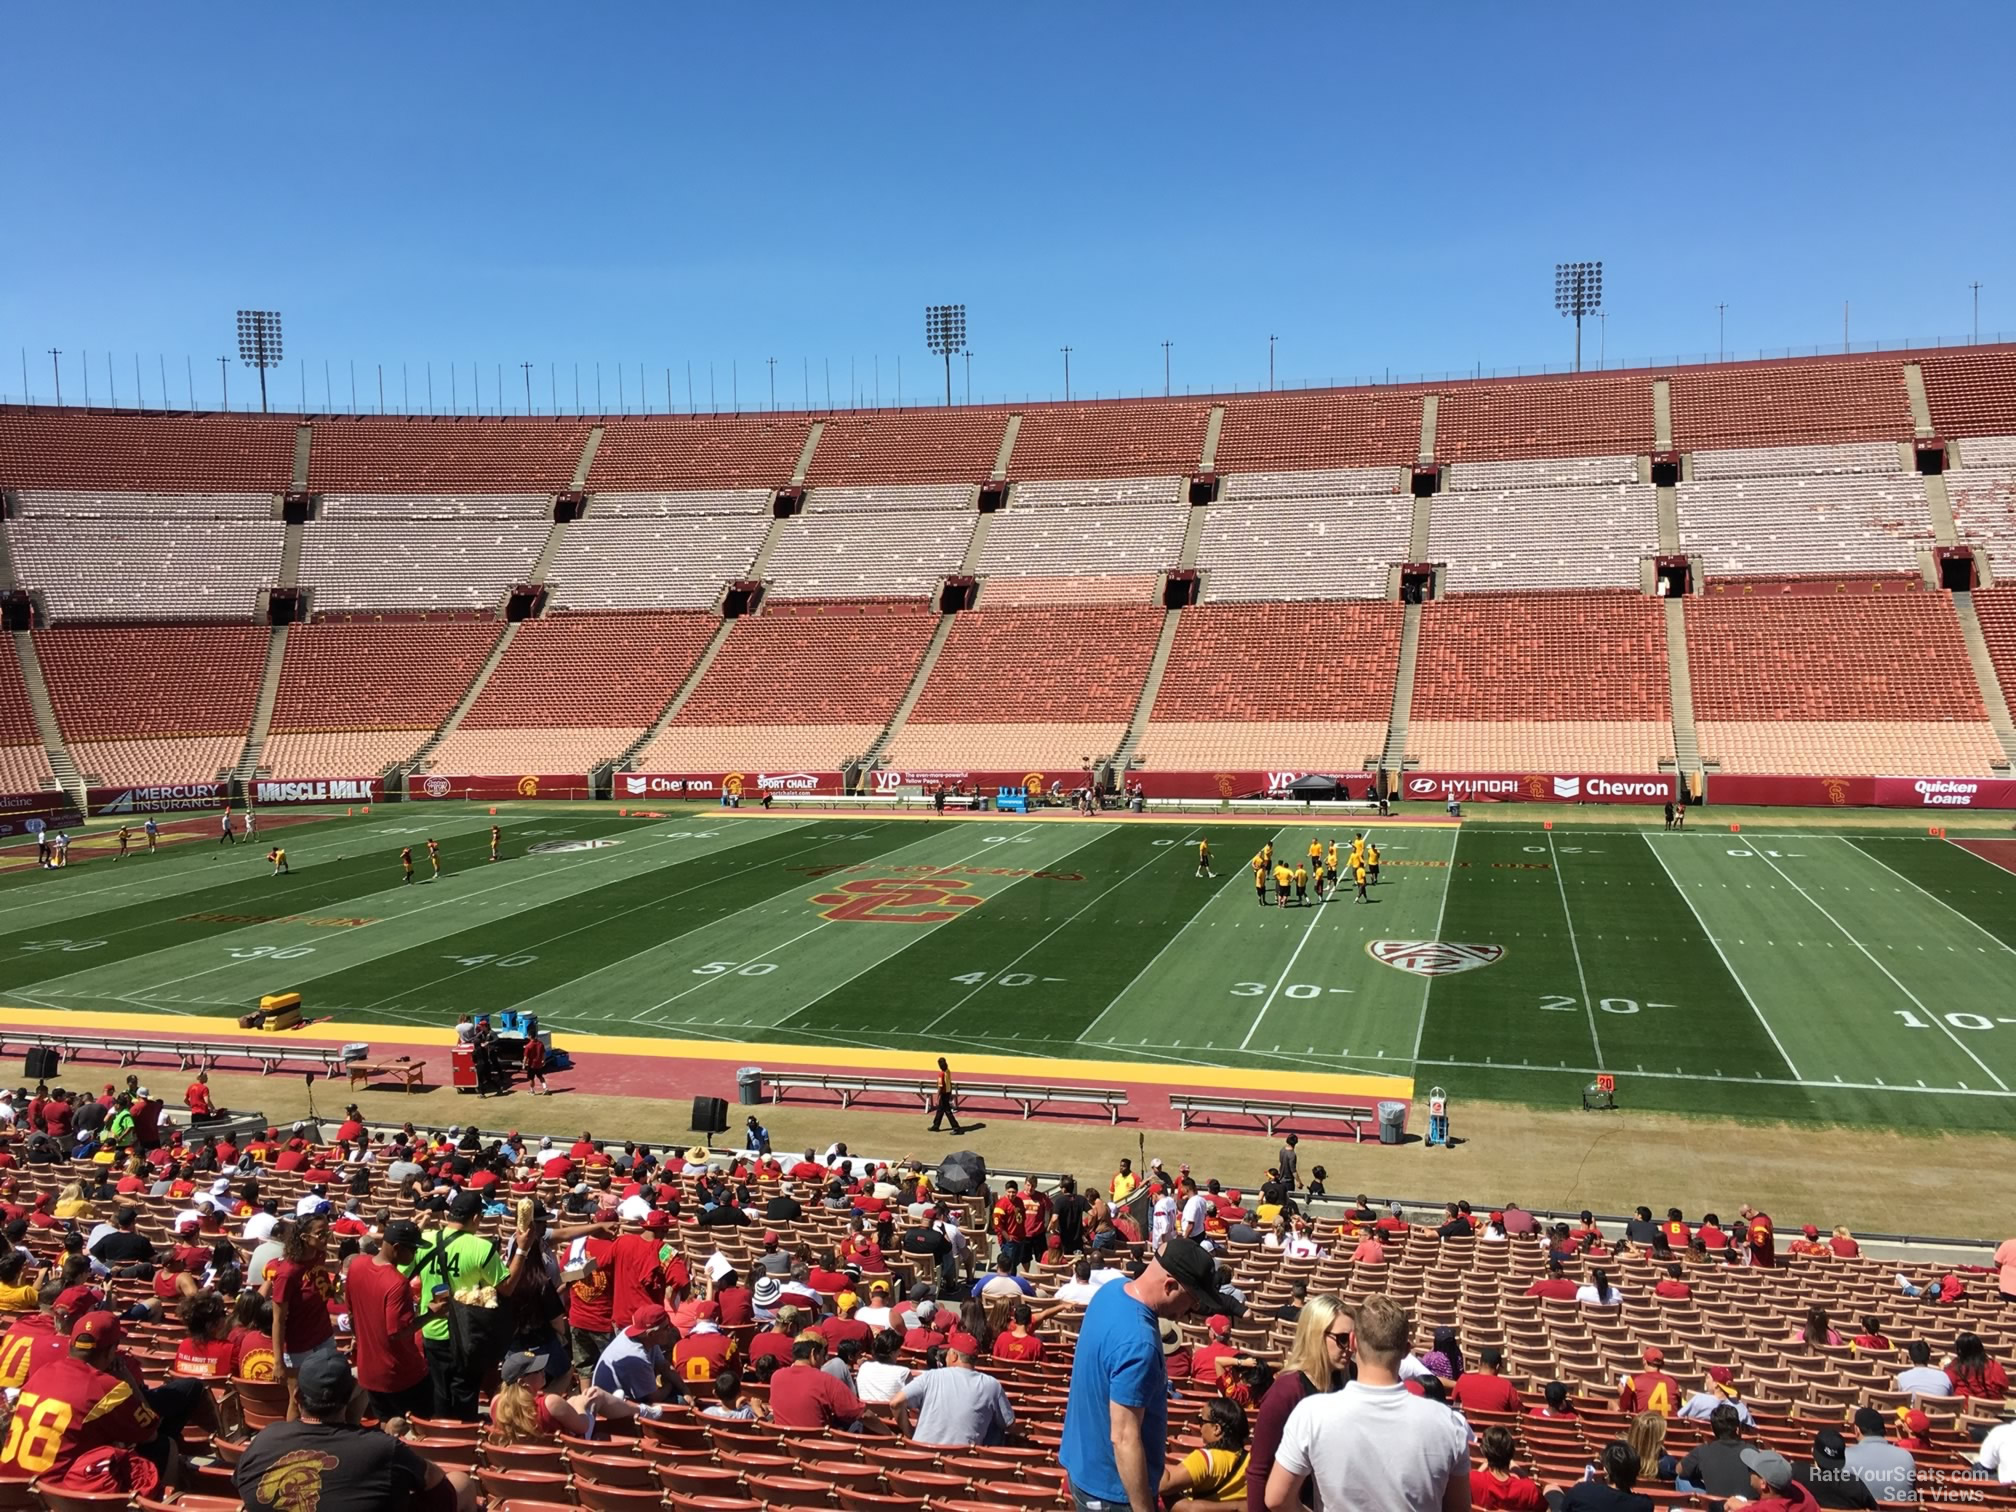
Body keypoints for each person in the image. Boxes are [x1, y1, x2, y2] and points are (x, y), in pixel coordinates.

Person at [1064, 1234, 1236, 1512]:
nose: (1192, 1311)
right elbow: (1124, 1437)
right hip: (1113, 1492)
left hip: (1084, 1468)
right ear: (1170, 1285)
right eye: (1192, 1299)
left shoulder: (1111, 1289)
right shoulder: (1139, 1342)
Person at [1263, 1292, 1468, 1512]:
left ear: (1353, 1342)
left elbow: (1276, 1499)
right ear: (1406, 1350)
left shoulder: (1311, 1414)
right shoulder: (1450, 1424)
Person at [236, 1348, 475, 1512]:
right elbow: (435, 1481)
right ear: (351, 1395)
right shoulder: (382, 1448)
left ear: (297, 1395)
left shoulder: (264, 1440)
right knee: (462, 1482)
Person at [2, 1310, 167, 1492]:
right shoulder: (108, 1387)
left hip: (9, 1489)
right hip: (56, 1497)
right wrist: (126, 1377)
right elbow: (150, 1433)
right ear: (112, 1350)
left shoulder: (43, 1372)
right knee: (165, 1446)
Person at [347, 1220, 432, 1425]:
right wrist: (432, 1314)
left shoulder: (356, 1264)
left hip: (368, 1370)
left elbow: (351, 1314)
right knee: (418, 1427)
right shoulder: (397, 1283)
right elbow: (396, 1333)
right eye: (412, 1249)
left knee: (384, 1423)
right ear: (397, 1248)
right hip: (400, 1373)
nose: (414, 1255)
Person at [887, 1330, 1013, 1446]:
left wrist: (909, 1434)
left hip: (921, 1453)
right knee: (995, 1426)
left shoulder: (930, 1376)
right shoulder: (991, 1384)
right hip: (961, 1460)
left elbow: (895, 1403)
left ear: (954, 1356)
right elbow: (1008, 1423)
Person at [1160, 1396, 1250, 1508]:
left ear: (1216, 1429)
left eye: (1201, 1421)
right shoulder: (1252, 1461)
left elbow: (1163, 1484)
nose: (1200, 1427)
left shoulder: (1207, 1459)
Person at [1543, 1441, 1654, 1512]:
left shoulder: (1583, 1490)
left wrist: (1584, 1487)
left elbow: (1564, 1509)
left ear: (1606, 1469)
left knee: (1551, 1488)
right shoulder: (1645, 1505)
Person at [1473, 1424, 1545, 1510]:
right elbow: (1540, 1505)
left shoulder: (1473, 1479)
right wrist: (1520, 1472)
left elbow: (1467, 1482)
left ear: (1484, 1452)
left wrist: (1486, 1464)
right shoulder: (1528, 1489)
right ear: (1512, 1452)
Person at [1734, 1447, 1821, 1512]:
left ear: (1763, 1483)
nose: (1750, 1473)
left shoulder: (1762, 1510)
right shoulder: (1800, 1491)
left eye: (1751, 1470)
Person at [930, 1056, 966, 1136]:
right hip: (948, 1092)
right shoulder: (948, 1071)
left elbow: (940, 1086)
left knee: (947, 1111)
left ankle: (956, 1128)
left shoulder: (941, 1074)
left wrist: (937, 1097)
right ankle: (936, 1125)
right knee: (940, 1110)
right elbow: (949, 1082)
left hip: (943, 1094)